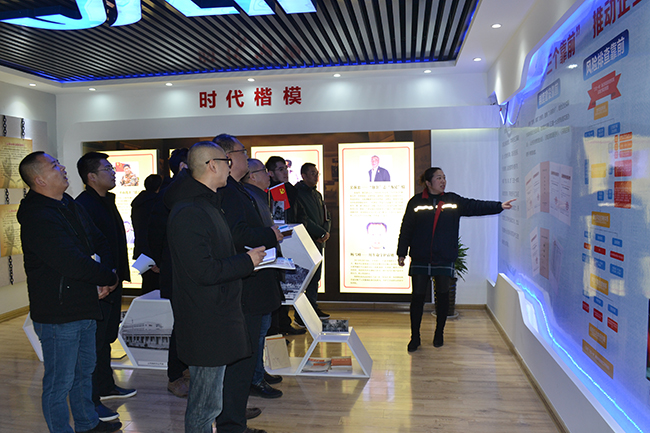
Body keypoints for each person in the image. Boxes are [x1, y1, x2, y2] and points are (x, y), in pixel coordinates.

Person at [17, 151, 121, 433]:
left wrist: (107, 275)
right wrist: (107, 277)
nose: (62, 167)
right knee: (59, 381)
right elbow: (70, 261)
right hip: (58, 312)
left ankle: (87, 423)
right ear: (39, 179)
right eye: (54, 165)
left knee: (84, 373)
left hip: (84, 303)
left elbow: (98, 239)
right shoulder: (37, 215)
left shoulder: (68, 203)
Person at [165, 141, 265, 433]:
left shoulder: (207, 203)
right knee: (205, 403)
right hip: (205, 319)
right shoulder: (190, 211)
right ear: (211, 166)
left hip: (216, 314)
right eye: (226, 162)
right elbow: (203, 270)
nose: (230, 168)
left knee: (211, 400)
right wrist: (247, 261)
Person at [397, 167, 515, 352]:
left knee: (443, 296)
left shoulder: (452, 200)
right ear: (428, 183)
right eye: (438, 178)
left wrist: (499, 206)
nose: (443, 181)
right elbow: (406, 228)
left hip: (444, 258)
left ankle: (439, 333)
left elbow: (474, 206)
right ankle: (415, 337)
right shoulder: (416, 202)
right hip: (421, 257)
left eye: (444, 177)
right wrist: (401, 252)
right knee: (417, 298)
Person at [214, 133, 284, 433]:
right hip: (245, 285)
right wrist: (270, 234)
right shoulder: (228, 193)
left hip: (251, 282)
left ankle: (234, 416)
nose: (247, 156)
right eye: (243, 152)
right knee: (240, 359)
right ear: (229, 158)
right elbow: (238, 235)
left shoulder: (236, 190)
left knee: (245, 358)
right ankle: (231, 423)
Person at [76, 152, 136, 422]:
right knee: (95, 341)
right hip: (100, 283)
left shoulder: (106, 201)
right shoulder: (84, 205)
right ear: (91, 176)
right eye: (107, 169)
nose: (113, 173)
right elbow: (89, 249)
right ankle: (92, 399)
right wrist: (103, 277)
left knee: (107, 337)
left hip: (113, 279)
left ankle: (106, 385)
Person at [147, 148, 192, 398]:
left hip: (190, 270)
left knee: (189, 322)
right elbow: (155, 233)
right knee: (181, 324)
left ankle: (185, 368)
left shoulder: (190, 191)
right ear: (184, 167)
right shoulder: (169, 195)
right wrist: (162, 261)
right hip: (176, 270)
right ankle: (175, 376)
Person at [265, 156, 306, 336]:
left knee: (288, 284)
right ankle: (277, 329)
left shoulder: (288, 189)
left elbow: (296, 213)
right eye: (280, 169)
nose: (285, 172)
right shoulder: (271, 191)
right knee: (279, 286)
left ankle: (284, 323)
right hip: (277, 242)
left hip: (291, 240)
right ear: (270, 173)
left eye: (286, 169)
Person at [295, 162, 331, 321]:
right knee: (304, 278)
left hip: (319, 241)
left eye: (317, 173)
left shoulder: (317, 194)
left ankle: (312, 308)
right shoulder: (297, 194)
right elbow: (303, 219)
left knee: (315, 278)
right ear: (303, 176)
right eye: (312, 173)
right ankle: (301, 315)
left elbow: (326, 215)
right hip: (306, 241)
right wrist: (319, 232)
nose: (316, 176)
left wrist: (325, 232)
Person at [131, 174, 163, 293]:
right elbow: (155, 233)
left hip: (142, 252)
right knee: (156, 289)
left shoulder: (138, 203)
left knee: (147, 287)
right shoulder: (156, 203)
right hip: (153, 253)